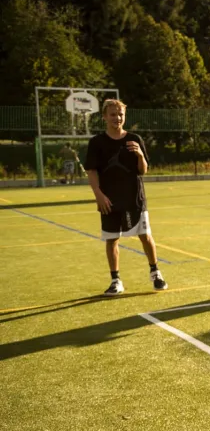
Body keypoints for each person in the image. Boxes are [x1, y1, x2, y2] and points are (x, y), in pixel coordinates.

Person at [85, 99, 168, 295]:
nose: (117, 118)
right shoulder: (97, 142)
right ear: (104, 117)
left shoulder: (134, 139)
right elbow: (91, 171)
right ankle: (116, 280)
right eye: (113, 114)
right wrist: (98, 195)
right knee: (112, 239)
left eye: (120, 114)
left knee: (145, 236)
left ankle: (155, 273)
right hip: (109, 199)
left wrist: (140, 155)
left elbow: (143, 171)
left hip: (134, 198)